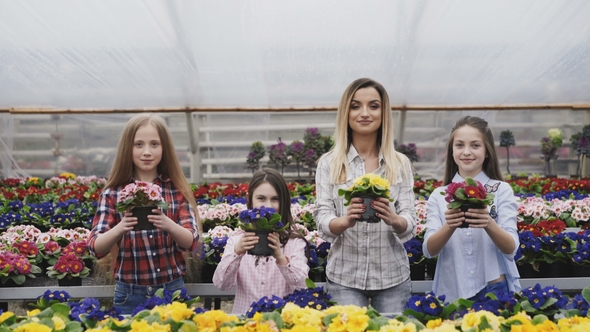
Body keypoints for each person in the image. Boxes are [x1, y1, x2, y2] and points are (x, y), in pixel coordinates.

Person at [313, 78, 417, 314]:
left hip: (393, 276)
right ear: (346, 113)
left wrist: (394, 219)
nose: (364, 113)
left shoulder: (400, 164)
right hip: (344, 277)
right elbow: (322, 217)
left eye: (374, 105)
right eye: (355, 106)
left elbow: (410, 219)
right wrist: (344, 221)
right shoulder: (329, 163)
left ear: (383, 113)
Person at [87, 113, 200, 315]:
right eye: (138, 144)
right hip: (130, 294)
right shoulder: (113, 193)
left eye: (154, 144)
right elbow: (95, 248)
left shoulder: (176, 190)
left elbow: (191, 241)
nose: (147, 152)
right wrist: (121, 228)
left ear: (165, 148)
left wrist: (168, 224)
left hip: (171, 290)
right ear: (127, 148)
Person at [422, 115, 521, 302]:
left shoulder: (500, 190)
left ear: (487, 151)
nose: (466, 152)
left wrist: (488, 223)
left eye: (475, 145)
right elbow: (429, 250)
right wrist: (450, 224)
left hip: (493, 287)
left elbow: (511, 249)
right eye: (459, 145)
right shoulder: (439, 195)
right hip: (452, 289)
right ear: (451, 151)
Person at [213, 168, 309, 315]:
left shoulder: (294, 242)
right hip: (245, 323)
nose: (268, 206)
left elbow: (303, 286)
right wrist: (237, 253)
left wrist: (281, 258)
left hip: (282, 322)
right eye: (261, 198)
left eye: (275, 199)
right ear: (249, 198)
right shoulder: (237, 240)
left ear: (283, 201)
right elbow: (221, 284)